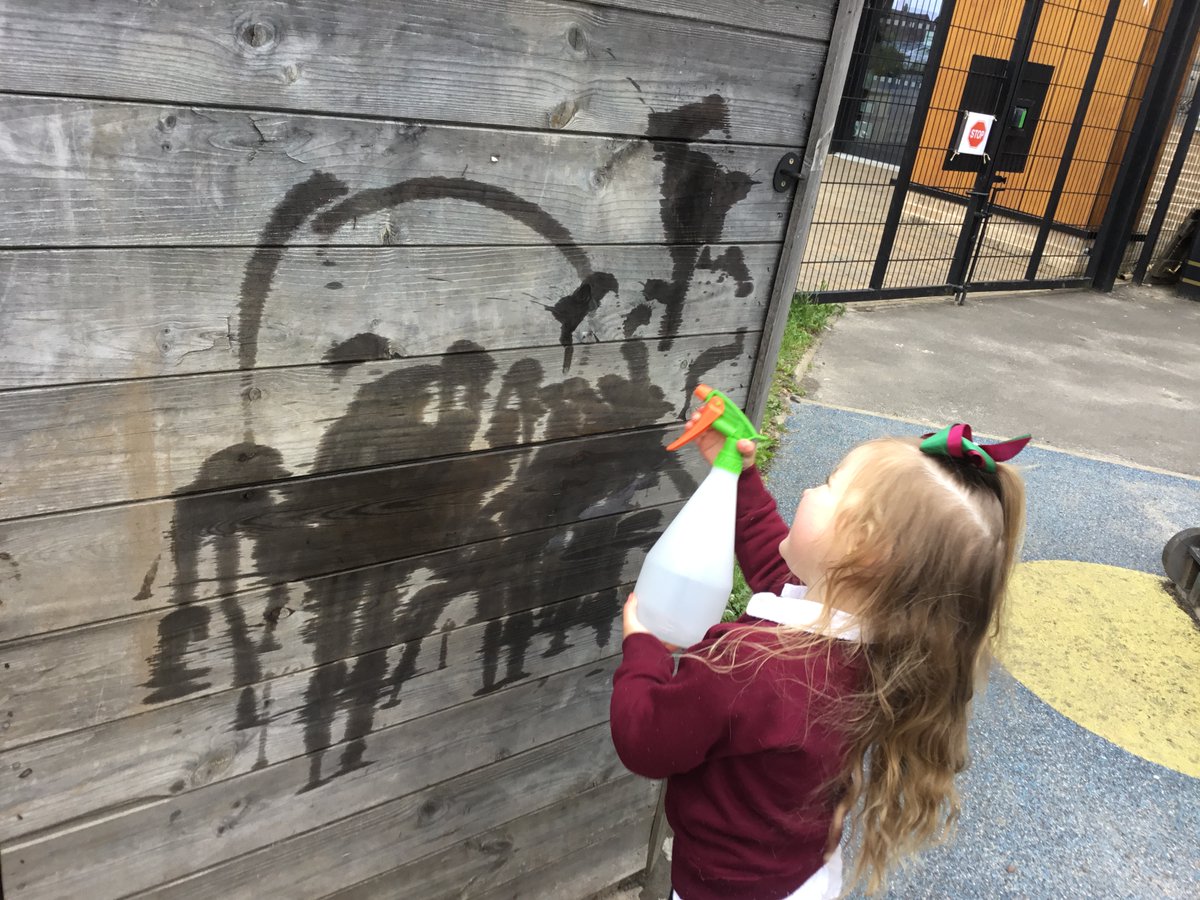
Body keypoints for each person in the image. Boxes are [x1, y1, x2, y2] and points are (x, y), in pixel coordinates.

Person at [610, 422, 1028, 899]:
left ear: (864, 550)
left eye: (830, 485)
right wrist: (741, 478)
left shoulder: (751, 668)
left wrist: (642, 649)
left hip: (726, 887)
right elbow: (780, 569)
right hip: (797, 871)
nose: (811, 488)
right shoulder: (888, 648)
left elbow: (644, 740)